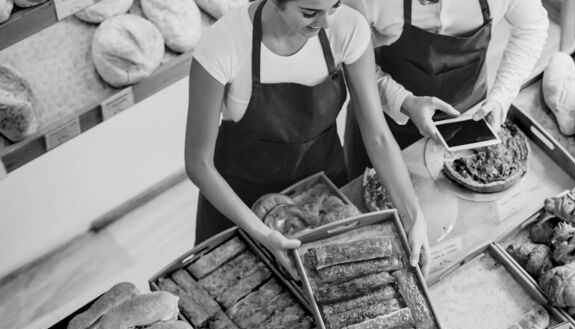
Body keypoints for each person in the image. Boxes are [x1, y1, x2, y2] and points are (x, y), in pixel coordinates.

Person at [185, 0, 429, 270]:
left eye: (333, 6)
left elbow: (378, 137)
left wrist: (412, 215)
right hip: (238, 206)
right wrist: (264, 234)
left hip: (322, 198)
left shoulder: (347, 27)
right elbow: (199, 163)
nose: (325, 22)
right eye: (309, 13)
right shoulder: (223, 45)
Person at [342, 0, 548, 176]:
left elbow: (532, 26)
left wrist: (502, 95)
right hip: (381, 124)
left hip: (468, 122)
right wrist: (402, 101)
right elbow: (348, 57)